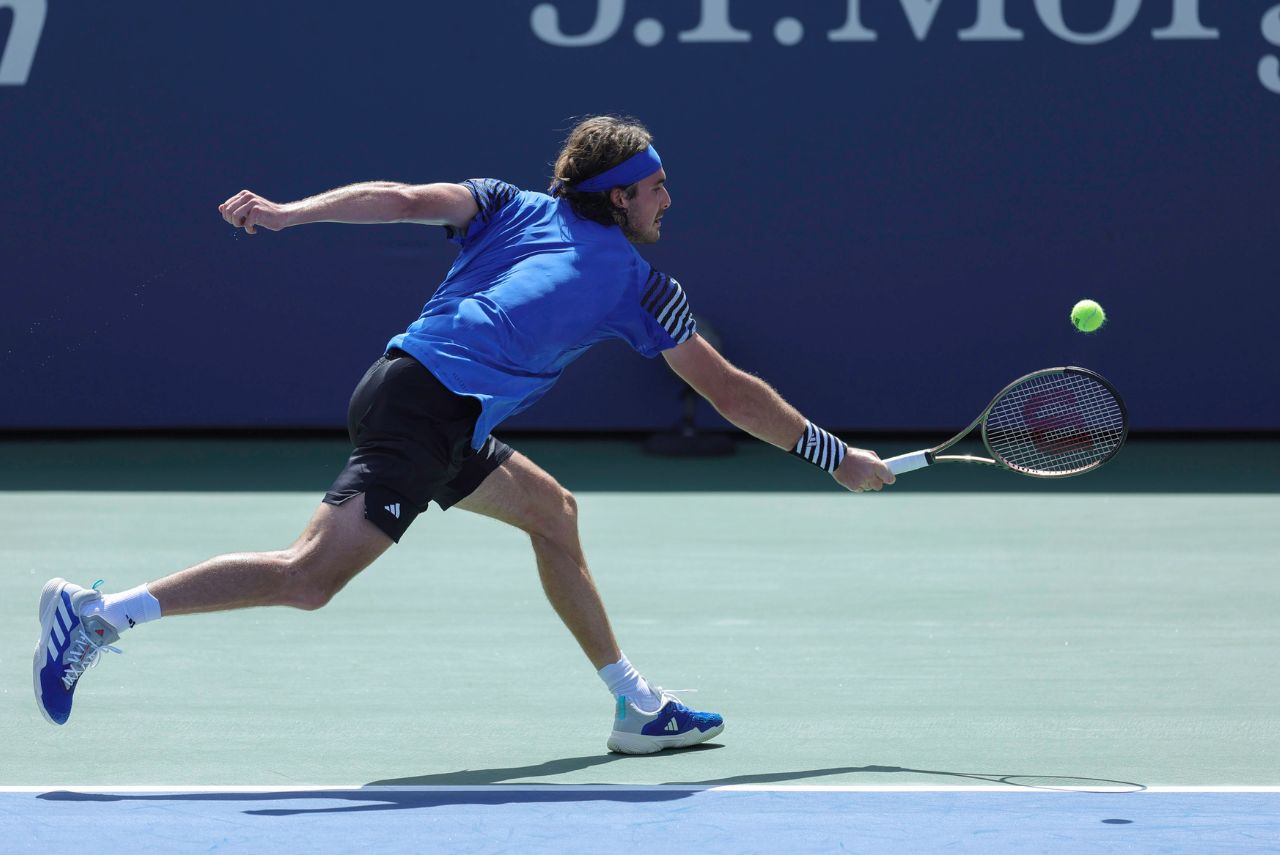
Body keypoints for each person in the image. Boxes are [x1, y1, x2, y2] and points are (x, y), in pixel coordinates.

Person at [33, 115, 894, 753]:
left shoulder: (522, 213)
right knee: (308, 578)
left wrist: (291, 215)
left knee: (553, 512)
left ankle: (634, 707)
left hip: (440, 406)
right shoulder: (611, 267)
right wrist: (838, 458)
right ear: (620, 193)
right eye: (657, 184)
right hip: (426, 401)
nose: (669, 197)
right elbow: (732, 393)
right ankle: (98, 615)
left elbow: (406, 198)